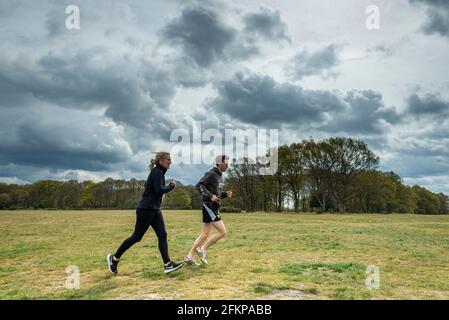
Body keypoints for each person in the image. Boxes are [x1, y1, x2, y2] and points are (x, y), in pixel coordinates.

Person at [107, 152, 183, 275]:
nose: (170, 162)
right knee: (137, 237)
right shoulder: (157, 172)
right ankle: (114, 258)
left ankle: (167, 264)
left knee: (162, 235)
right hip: (146, 209)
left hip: (154, 209)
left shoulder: (159, 173)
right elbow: (159, 191)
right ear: (161, 161)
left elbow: (152, 189)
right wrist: (171, 186)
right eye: (168, 159)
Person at [184, 155, 233, 265]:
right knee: (222, 232)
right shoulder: (211, 174)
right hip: (209, 206)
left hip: (214, 207)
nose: (227, 165)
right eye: (226, 163)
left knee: (204, 234)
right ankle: (202, 249)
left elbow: (217, 193)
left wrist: (225, 194)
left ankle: (189, 256)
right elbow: (199, 185)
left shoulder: (221, 176)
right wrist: (210, 196)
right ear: (219, 163)